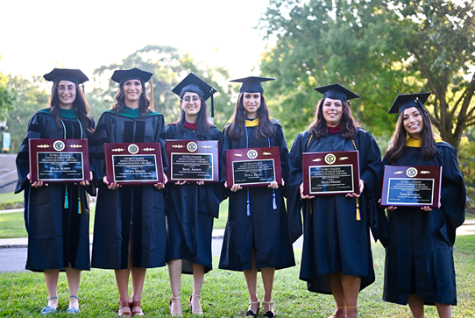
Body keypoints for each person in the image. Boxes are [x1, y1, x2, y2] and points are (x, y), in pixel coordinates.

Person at [288, 84, 386, 318]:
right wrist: (301, 184)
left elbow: (375, 166)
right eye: (328, 104)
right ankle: (340, 308)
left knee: (349, 256)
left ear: (345, 108)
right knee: (327, 255)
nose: (332, 108)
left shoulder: (359, 138)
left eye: (337, 105)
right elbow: (292, 169)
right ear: (321, 107)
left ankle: (351, 310)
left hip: (350, 209)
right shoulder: (306, 139)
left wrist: (363, 181)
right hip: (319, 209)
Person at [15, 68, 95, 314]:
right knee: (50, 241)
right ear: (55, 90)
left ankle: (74, 299)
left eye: (70, 87)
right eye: (61, 87)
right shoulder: (41, 117)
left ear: (77, 90)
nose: (66, 91)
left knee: (75, 241)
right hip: (46, 193)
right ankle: (52, 299)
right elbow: (27, 153)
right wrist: (31, 175)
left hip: (76, 191)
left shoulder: (86, 121)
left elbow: (92, 156)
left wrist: (89, 173)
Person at [90, 68, 168, 317]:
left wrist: (162, 173)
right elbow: (98, 150)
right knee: (120, 241)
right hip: (116, 191)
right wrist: (104, 175)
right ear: (121, 88)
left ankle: (137, 300)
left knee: (141, 241)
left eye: (137, 83)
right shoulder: (109, 117)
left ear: (143, 88)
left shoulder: (156, 118)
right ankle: (123, 300)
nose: (133, 87)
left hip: (146, 192)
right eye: (128, 84)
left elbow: (162, 151)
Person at [382, 93, 466, 318]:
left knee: (438, 273)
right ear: (401, 124)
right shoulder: (394, 154)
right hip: (402, 225)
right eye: (405, 117)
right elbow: (383, 185)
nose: (411, 121)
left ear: (424, 117)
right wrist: (386, 200)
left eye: (415, 114)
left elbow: (454, 187)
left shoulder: (442, 150)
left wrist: (437, 197)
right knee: (409, 275)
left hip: (431, 224)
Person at [219, 76, 295, 318]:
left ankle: (268, 301)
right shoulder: (231, 129)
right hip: (242, 199)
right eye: (247, 96)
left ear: (261, 99)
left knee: (268, 247)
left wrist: (279, 178)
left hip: (268, 198)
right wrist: (228, 182)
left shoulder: (274, 128)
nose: (251, 100)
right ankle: (253, 301)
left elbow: (284, 161)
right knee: (247, 248)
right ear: (240, 99)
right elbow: (224, 164)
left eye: (255, 96)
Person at [164, 73, 224, 316]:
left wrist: (209, 176)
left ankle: (196, 298)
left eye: (195, 98)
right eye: (186, 98)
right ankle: (176, 298)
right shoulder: (170, 131)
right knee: (176, 246)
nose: (191, 102)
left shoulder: (213, 133)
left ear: (202, 102)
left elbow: (221, 166)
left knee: (201, 246)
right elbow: (162, 163)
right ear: (180, 103)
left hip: (202, 197)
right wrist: (171, 175)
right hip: (177, 198)